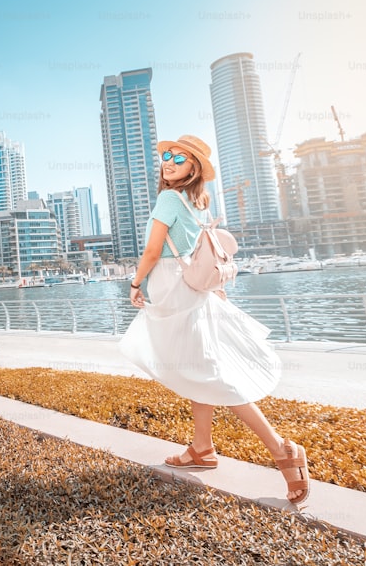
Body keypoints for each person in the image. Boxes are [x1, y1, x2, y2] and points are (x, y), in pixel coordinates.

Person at [119, 134, 310, 505]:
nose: (169, 161)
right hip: (193, 291)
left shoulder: (168, 199)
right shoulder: (197, 203)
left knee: (209, 374)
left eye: (179, 157)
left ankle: (282, 450)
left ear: (194, 168)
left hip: (177, 292)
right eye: (167, 156)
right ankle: (202, 448)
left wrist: (135, 281)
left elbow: (153, 249)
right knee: (197, 370)